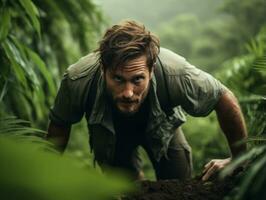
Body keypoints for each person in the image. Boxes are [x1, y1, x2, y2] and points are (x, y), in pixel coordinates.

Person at [47, 20, 247, 181]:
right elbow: (59, 124)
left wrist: (238, 159)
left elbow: (223, 98)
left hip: (164, 128)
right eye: (118, 79)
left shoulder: (177, 74)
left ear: (151, 71)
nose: (128, 93)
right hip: (108, 133)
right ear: (103, 69)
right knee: (123, 189)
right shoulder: (77, 80)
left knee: (179, 184)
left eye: (137, 80)